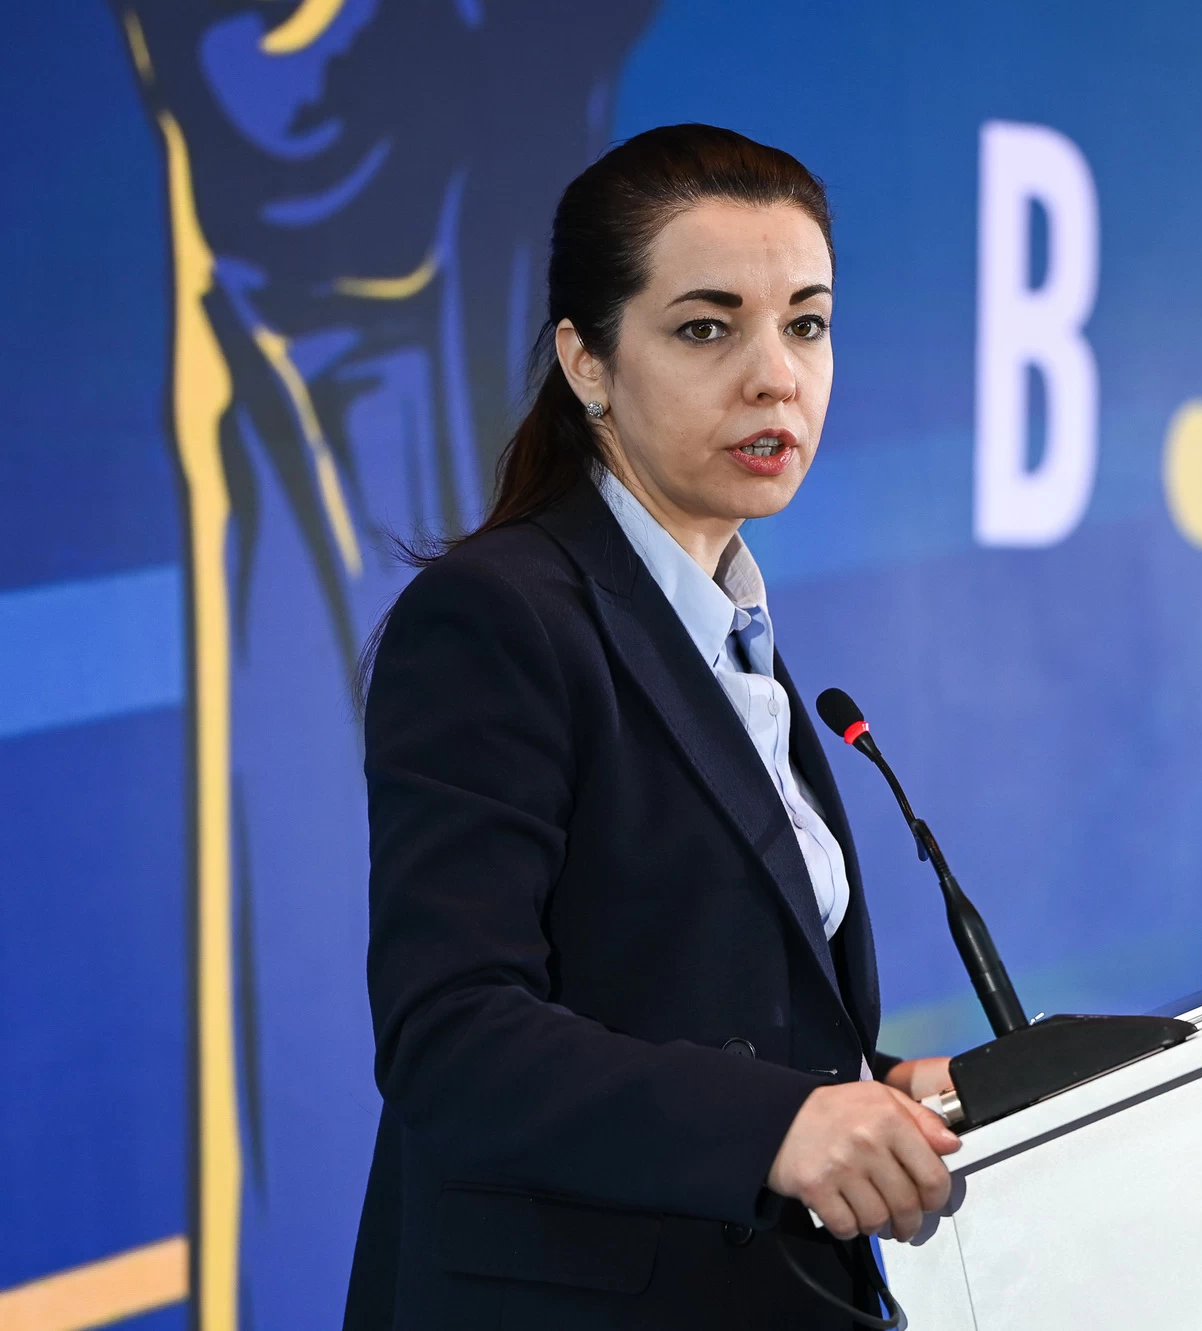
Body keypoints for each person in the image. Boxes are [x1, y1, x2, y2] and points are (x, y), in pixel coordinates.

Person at [342, 123, 959, 1331]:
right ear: (586, 360)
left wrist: (875, 1091)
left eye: (807, 324)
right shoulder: (496, 617)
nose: (774, 376)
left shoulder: (727, 621)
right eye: (706, 328)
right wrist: (778, 1123)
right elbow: (449, 1034)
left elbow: (693, 1003)